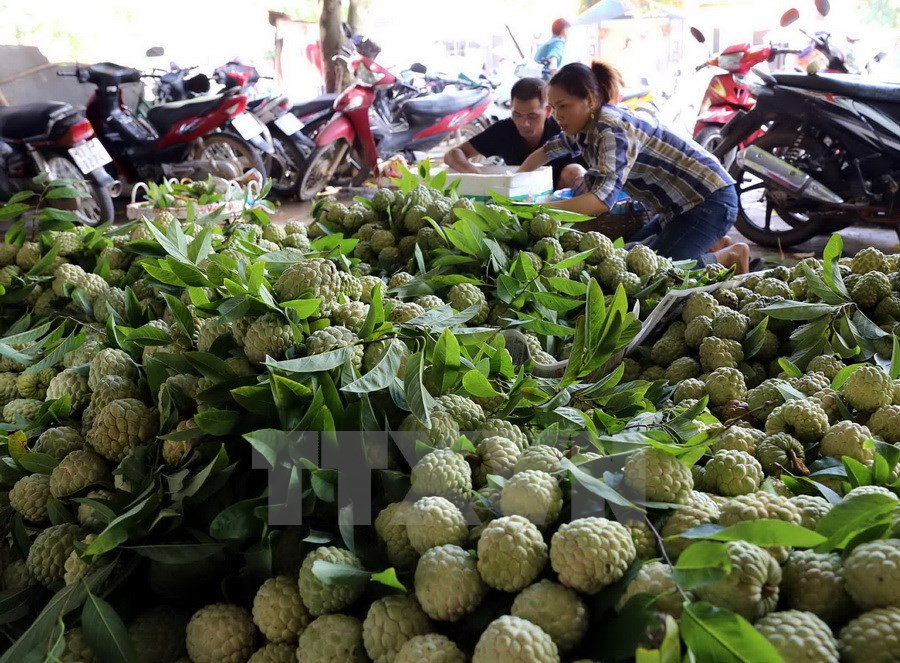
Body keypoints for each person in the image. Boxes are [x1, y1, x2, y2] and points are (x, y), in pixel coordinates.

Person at [517, 61, 750, 273]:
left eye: (563, 106)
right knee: (626, 258)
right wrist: (514, 184)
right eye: (554, 108)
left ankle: (730, 255)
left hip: (709, 200)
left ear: (589, 100)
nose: (557, 115)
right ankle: (713, 243)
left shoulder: (611, 129)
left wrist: (541, 209)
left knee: (656, 273)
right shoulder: (582, 128)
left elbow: (600, 201)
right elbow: (546, 151)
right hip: (677, 209)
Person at [443, 78, 585, 190]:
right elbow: (453, 154)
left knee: (574, 172)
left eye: (532, 116)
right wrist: (476, 176)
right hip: (517, 193)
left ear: (548, 111)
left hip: (563, 198)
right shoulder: (504, 129)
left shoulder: (562, 128)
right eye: (517, 114)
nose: (524, 123)